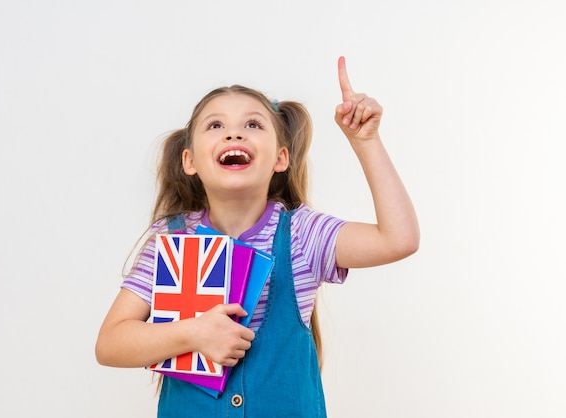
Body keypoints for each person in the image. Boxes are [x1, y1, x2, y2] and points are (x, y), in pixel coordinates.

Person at [95, 56, 420, 417]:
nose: (234, 133)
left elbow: (399, 239)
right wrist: (192, 334)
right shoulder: (170, 239)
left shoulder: (301, 235)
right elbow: (110, 343)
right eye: (215, 125)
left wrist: (366, 141)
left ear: (281, 157)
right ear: (190, 162)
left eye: (253, 124)